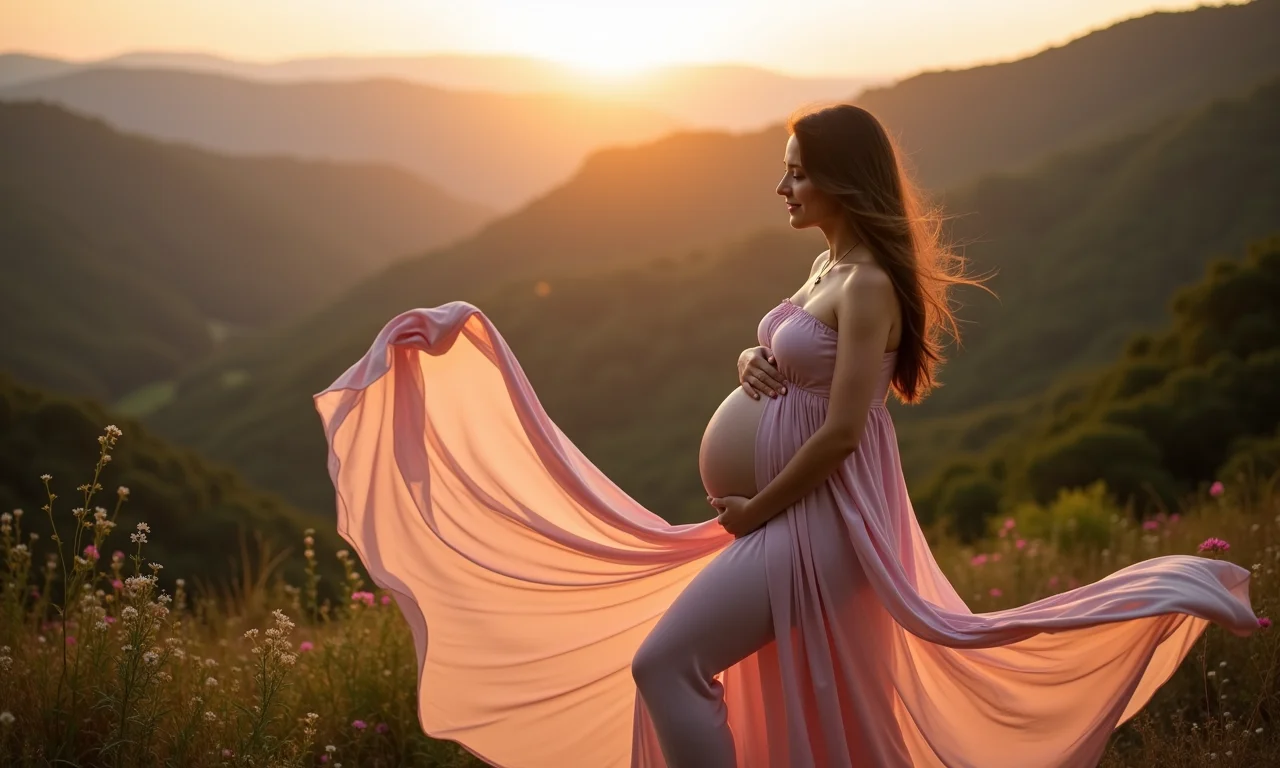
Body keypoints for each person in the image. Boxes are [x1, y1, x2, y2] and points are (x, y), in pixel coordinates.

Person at [313, 104, 1260, 768]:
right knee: (710, 676)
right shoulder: (825, 269)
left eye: (798, 170)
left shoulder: (870, 284)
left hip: (818, 520)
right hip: (784, 520)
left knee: (664, 662)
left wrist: (755, 510)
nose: (782, 186)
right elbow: (798, 361)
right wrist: (749, 361)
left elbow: (844, 430)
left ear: (841, 177)